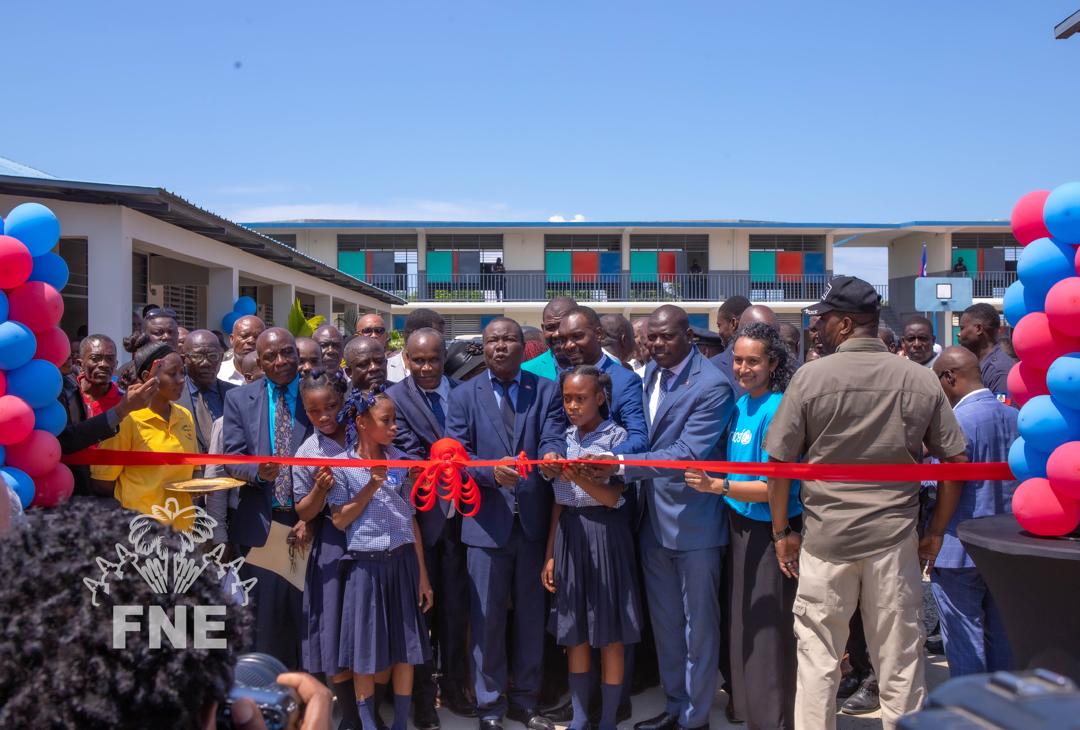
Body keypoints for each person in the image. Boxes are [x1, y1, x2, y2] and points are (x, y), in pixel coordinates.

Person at [764, 276, 969, 730]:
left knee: (818, 659)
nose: (817, 327)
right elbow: (956, 459)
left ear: (846, 323)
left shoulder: (810, 378)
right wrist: (934, 532)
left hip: (826, 541)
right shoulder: (918, 378)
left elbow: (777, 462)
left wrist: (781, 533)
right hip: (893, 542)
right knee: (900, 663)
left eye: (824, 318)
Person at [590, 305, 734, 730]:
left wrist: (618, 464)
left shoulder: (712, 385)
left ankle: (696, 718)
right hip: (651, 522)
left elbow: (687, 454)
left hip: (695, 525)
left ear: (688, 335)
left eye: (666, 337)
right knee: (667, 627)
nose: (656, 345)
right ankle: (675, 708)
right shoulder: (648, 374)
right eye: (651, 338)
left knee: (699, 631)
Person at [446, 317, 565, 730]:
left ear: (522, 346)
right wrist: (488, 474)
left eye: (509, 339)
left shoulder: (546, 391)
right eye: (493, 340)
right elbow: (456, 455)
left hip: (533, 525)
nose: (501, 346)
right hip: (485, 524)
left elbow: (553, 437)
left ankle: (526, 702)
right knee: (487, 620)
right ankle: (490, 706)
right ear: (484, 346)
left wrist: (550, 457)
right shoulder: (462, 396)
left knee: (532, 618)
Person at [684, 322, 800, 730]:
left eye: (753, 361)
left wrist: (717, 485)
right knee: (745, 628)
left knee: (769, 635)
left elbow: (774, 485)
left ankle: (774, 720)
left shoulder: (778, 408)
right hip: (739, 528)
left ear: (773, 363)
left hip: (770, 534)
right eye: (738, 360)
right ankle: (752, 714)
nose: (743, 368)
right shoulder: (741, 405)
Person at [542, 366, 642, 730]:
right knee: (576, 631)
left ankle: (609, 719)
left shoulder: (618, 439)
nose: (572, 406)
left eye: (580, 398)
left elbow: (615, 497)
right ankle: (581, 718)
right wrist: (551, 552)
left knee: (610, 633)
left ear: (600, 398)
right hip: (571, 534)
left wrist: (580, 478)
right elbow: (559, 502)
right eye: (567, 399)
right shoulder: (563, 440)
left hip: (606, 534)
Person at [328, 390, 433, 730]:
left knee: (405, 647)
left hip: (401, 563)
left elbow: (410, 520)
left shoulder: (402, 462)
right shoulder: (343, 466)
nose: (394, 427)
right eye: (386, 421)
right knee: (364, 650)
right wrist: (371, 485)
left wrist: (422, 574)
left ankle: (400, 723)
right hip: (365, 566)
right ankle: (368, 723)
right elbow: (340, 520)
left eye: (395, 420)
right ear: (361, 423)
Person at [386, 328, 474, 723]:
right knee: (418, 615)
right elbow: (404, 452)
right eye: (417, 360)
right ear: (406, 358)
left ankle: (456, 687)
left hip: (464, 520)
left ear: (444, 358)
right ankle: (423, 698)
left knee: (457, 612)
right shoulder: (393, 399)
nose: (425, 367)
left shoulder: (465, 391)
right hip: (418, 522)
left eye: (433, 359)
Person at [223, 327, 314, 668]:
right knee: (267, 619)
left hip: (311, 520)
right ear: (258, 362)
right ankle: (269, 690)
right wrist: (259, 473)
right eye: (271, 356)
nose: (281, 361)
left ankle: (312, 690)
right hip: (265, 522)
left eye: (288, 352)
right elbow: (232, 458)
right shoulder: (239, 399)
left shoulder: (317, 392)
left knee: (308, 612)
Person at [930, 347, 1018, 675]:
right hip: (1006, 545)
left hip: (957, 547)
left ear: (949, 377)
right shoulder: (1015, 416)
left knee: (964, 638)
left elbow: (939, 484)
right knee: (1003, 635)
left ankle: (969, 713)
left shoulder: (955, 422)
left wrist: (932, 532)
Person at [292, 368, 366, 730]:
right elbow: (303, 510)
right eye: (313, 411)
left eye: (331, 406)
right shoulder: (308, 451)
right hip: (335, 549)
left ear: (344, 401)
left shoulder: (363, 433)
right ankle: (349, 717)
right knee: (337, 630)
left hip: (374, 540)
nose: (323, 416)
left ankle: (371, 710)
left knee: (366, 629)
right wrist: (320, 490)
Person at [91, 342, 197, 521]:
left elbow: (194, 469)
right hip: (140, 530)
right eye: (172, 374)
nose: (181, 380)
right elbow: (103, 482)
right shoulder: (127, 420)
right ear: (149, 376)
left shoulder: (184, 415)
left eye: (182, 372)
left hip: (183, 526)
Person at [58, 334, 157, 498]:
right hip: (70, 491)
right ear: (80, 363)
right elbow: (67, 440)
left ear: (116, 364)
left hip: (113, 496)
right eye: (95, 358)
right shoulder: (65, 394)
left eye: (110, 359)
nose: (103, 364)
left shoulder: (127, 401)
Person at [550, 306, 648, 455]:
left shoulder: (626, 381)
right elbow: (553, 431)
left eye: (577, 336)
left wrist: (603, 459)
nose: (568, 345)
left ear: (599, 334)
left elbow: (638, 439)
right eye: (563, 340)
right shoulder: (563, 379)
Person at [178, 329, 236, 453]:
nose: (206, 363)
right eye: (197, 356)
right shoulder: (171, 397)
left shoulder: (237, 395)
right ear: (184, 359)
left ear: (221, 357)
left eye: (213, 356)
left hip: (227, 470)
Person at [957, 303, 1016, 397]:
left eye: (962, 328)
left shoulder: (999, 371)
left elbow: (1001, 411)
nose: (958, 334)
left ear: (978, 329)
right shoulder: (977, 363)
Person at [522, 296, 577, 381]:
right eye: (550, 327)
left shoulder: (600, 366)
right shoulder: (526, 372)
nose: (556, 334)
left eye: (562, 325)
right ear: (543, 329)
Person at [387, 309, 446, 384]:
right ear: (415, 334)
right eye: (437, 334)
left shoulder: (445, 371)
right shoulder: (384, 370)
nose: (442, 340)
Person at [710, 295, 752, 397]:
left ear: (733, 323)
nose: (719, 332)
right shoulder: (713, 365)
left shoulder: (712, 366)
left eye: (719, 325)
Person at [219, 315, 267, 385]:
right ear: (232, 339)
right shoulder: (218, 373)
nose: (251, 341)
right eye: (244, 336)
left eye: (257, 337)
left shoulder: (272, 374)